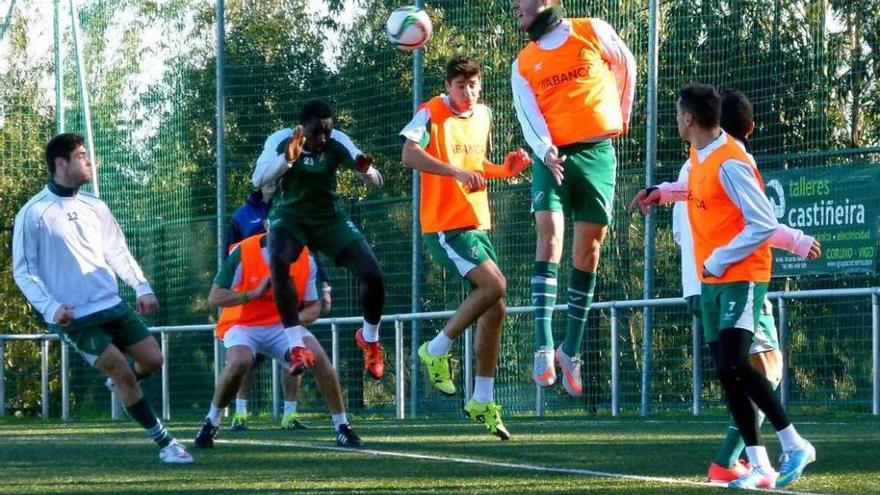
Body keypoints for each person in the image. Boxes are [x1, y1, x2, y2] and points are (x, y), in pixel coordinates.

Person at [632, 84, 816, 489]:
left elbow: (763, 224)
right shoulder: (700, 154)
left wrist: (719, 258)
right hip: (712, 279)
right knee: (726, 370)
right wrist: (662, 193)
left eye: (677, 114)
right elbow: (698, 191)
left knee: (738, 364)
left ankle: (794, 442)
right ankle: (761, 466)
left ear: (688, 119)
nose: (676, 120)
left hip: (742, 275)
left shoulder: (732, 161)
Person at [11, 133, 193, 463]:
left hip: (112, 304)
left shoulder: (96, 206)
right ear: (60, 163)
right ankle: (166, 444)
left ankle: (124, 386)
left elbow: (117, 252)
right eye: (81, 156)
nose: (89, 162)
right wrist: (51, 308)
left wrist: (142, 287)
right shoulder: (33, 212)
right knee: (122, 370)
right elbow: (23, 271)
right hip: (75, 316)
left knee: (153, 360)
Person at [401, 55, 531, 440]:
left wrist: (503, 170)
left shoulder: (484, 115)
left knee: (497, 305)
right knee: (495, 287)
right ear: (448, 86)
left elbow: (476, 164)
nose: (469, 93)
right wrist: (455, 171)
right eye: (461, 86)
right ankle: (436, 349)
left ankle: (482, 398)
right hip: (445, 225)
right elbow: (409, 155)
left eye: (474, 85)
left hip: (477, 223)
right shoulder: (431, 111)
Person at [510, 0, 636, 395]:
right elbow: (528, 114)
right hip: (553, 157)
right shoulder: (523, 63)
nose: (514, 4)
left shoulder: (591, 30)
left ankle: (570, 352)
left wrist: (620, 113)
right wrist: (545, 149)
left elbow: (626, 66)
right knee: (549, 239)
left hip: (598, 154)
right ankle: (543, 344)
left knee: (589, 252)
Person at [252, 99, 386, 381]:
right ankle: (295, 346)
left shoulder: (338, 141)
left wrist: (366, 172)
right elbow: (258, 180)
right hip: (290, 218)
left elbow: (377, 181)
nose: (322, 138)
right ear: (301, 128)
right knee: (278, 260)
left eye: (327, 131)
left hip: (329, 219)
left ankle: (370, 340)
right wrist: (286, 160)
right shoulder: (280, 139)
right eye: (315, 132)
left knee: (373, 275)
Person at [195, 231, 363, 448]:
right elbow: (214, 298)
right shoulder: (245, 251)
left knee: (319, 357)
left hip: (282, 326)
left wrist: (293, 321)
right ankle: (211, 421)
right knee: (240, 362)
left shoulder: (306, 257)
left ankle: (342, 427)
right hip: (243, 325)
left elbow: (314, 307)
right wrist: (253, 293)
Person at [225, 190, 333, 431]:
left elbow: (309, 249)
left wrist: (324, 285)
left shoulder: (293, 207)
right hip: (253, 299)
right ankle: (239, 414)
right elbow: (229, 259)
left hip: (286, 294)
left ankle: (290, 414)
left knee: (297, 352)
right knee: (246, 361)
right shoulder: (243, 216)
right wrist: (241, 290)